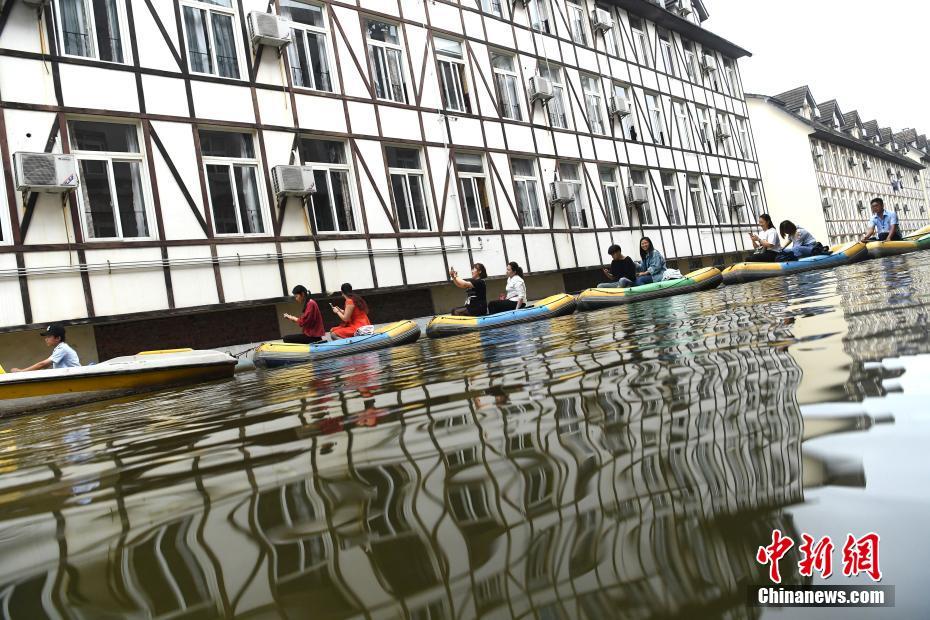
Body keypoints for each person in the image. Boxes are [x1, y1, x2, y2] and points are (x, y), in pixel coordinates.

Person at [11, 324, 80, 372]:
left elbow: (42, 364)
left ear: (58, 338)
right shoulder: (59, 348)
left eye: (49, 336)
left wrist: (21, 371)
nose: (46, 339)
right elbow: (46, 365)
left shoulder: (62, 349)